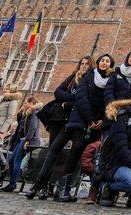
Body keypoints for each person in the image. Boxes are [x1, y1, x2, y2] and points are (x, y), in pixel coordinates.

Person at [27, 53, 115, 201]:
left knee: (74, 153)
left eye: (87, 64)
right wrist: (82, 111)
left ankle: (62, 189)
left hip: (81, 121)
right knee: (54, 149)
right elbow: (67, 94)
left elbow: (102, 102)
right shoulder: (81, 77)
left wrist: (97, 119)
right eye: (82, 64)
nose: (84, 66)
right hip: (69, 119)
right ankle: (39, 184)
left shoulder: (103, 80)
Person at [1, 94, 42, 192]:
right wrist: (20, 114)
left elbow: (32, 128)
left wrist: (27, 140)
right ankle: (12, 182)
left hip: (28, 140)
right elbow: (20, 125)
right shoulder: (27, 112)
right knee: (11, 160)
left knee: (16, 161)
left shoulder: (34, 112)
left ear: (32, 103)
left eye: (26, 103)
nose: (25, 104)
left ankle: (12, 184)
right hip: (21, 139)